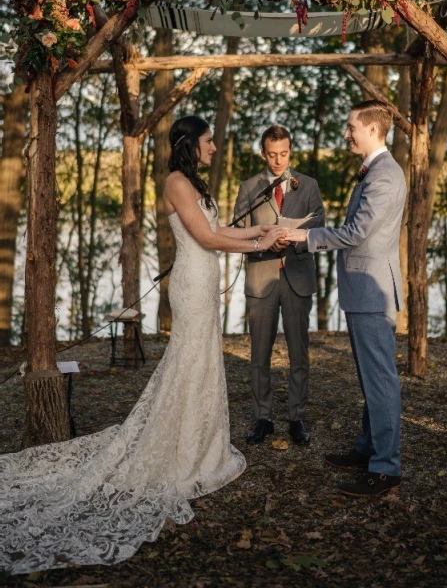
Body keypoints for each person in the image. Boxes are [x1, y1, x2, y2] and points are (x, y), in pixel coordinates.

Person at [0, 115, 283, 575]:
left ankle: (203, 444)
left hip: (205, 280)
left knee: (204, 363)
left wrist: (261, 234)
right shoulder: (175, 183)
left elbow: (222, 233)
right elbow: (207, 237)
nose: (215, 148)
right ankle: (183, 452)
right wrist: (256, 243)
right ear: (192, 143)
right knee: (189, 363)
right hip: (191, 285)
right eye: (209, 142)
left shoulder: (194, 183)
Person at [283, 101, 406, 496]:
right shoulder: (376, 171)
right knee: (371, 380)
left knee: (381, 382)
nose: (346, 132)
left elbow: (356, 233)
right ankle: (368, 449)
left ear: (372, 128)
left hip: (372, 292)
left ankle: (386, 468)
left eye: (352, 126)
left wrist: (306, 236)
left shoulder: (384, 175)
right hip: (364, 290)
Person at [233, 125, 325, 446]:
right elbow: (239, 231)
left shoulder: (309, 186)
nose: (278, 160)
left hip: (298, 277)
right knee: (259, 353)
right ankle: (263, 417)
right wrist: (264, 243)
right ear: (263, 152)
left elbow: (319, 228)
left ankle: (296, 417)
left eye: (283, 154)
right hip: (262, 277)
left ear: (290, 150)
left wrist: (293, 241)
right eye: (272, 154)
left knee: (299, 353)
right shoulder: (248, 187)